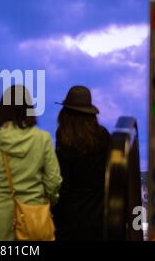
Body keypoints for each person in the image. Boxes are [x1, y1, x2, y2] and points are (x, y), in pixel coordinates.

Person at [0, 85, 62, 241]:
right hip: (34, 221)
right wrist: (50, 200)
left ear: (2, 109)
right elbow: (54, 181)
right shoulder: (43, 138)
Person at [52, 85, 110, 241]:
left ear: (65, 113)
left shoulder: (64, 136)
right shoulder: (103, 135)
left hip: (69, 214)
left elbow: (63, 179)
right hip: (98, 212)